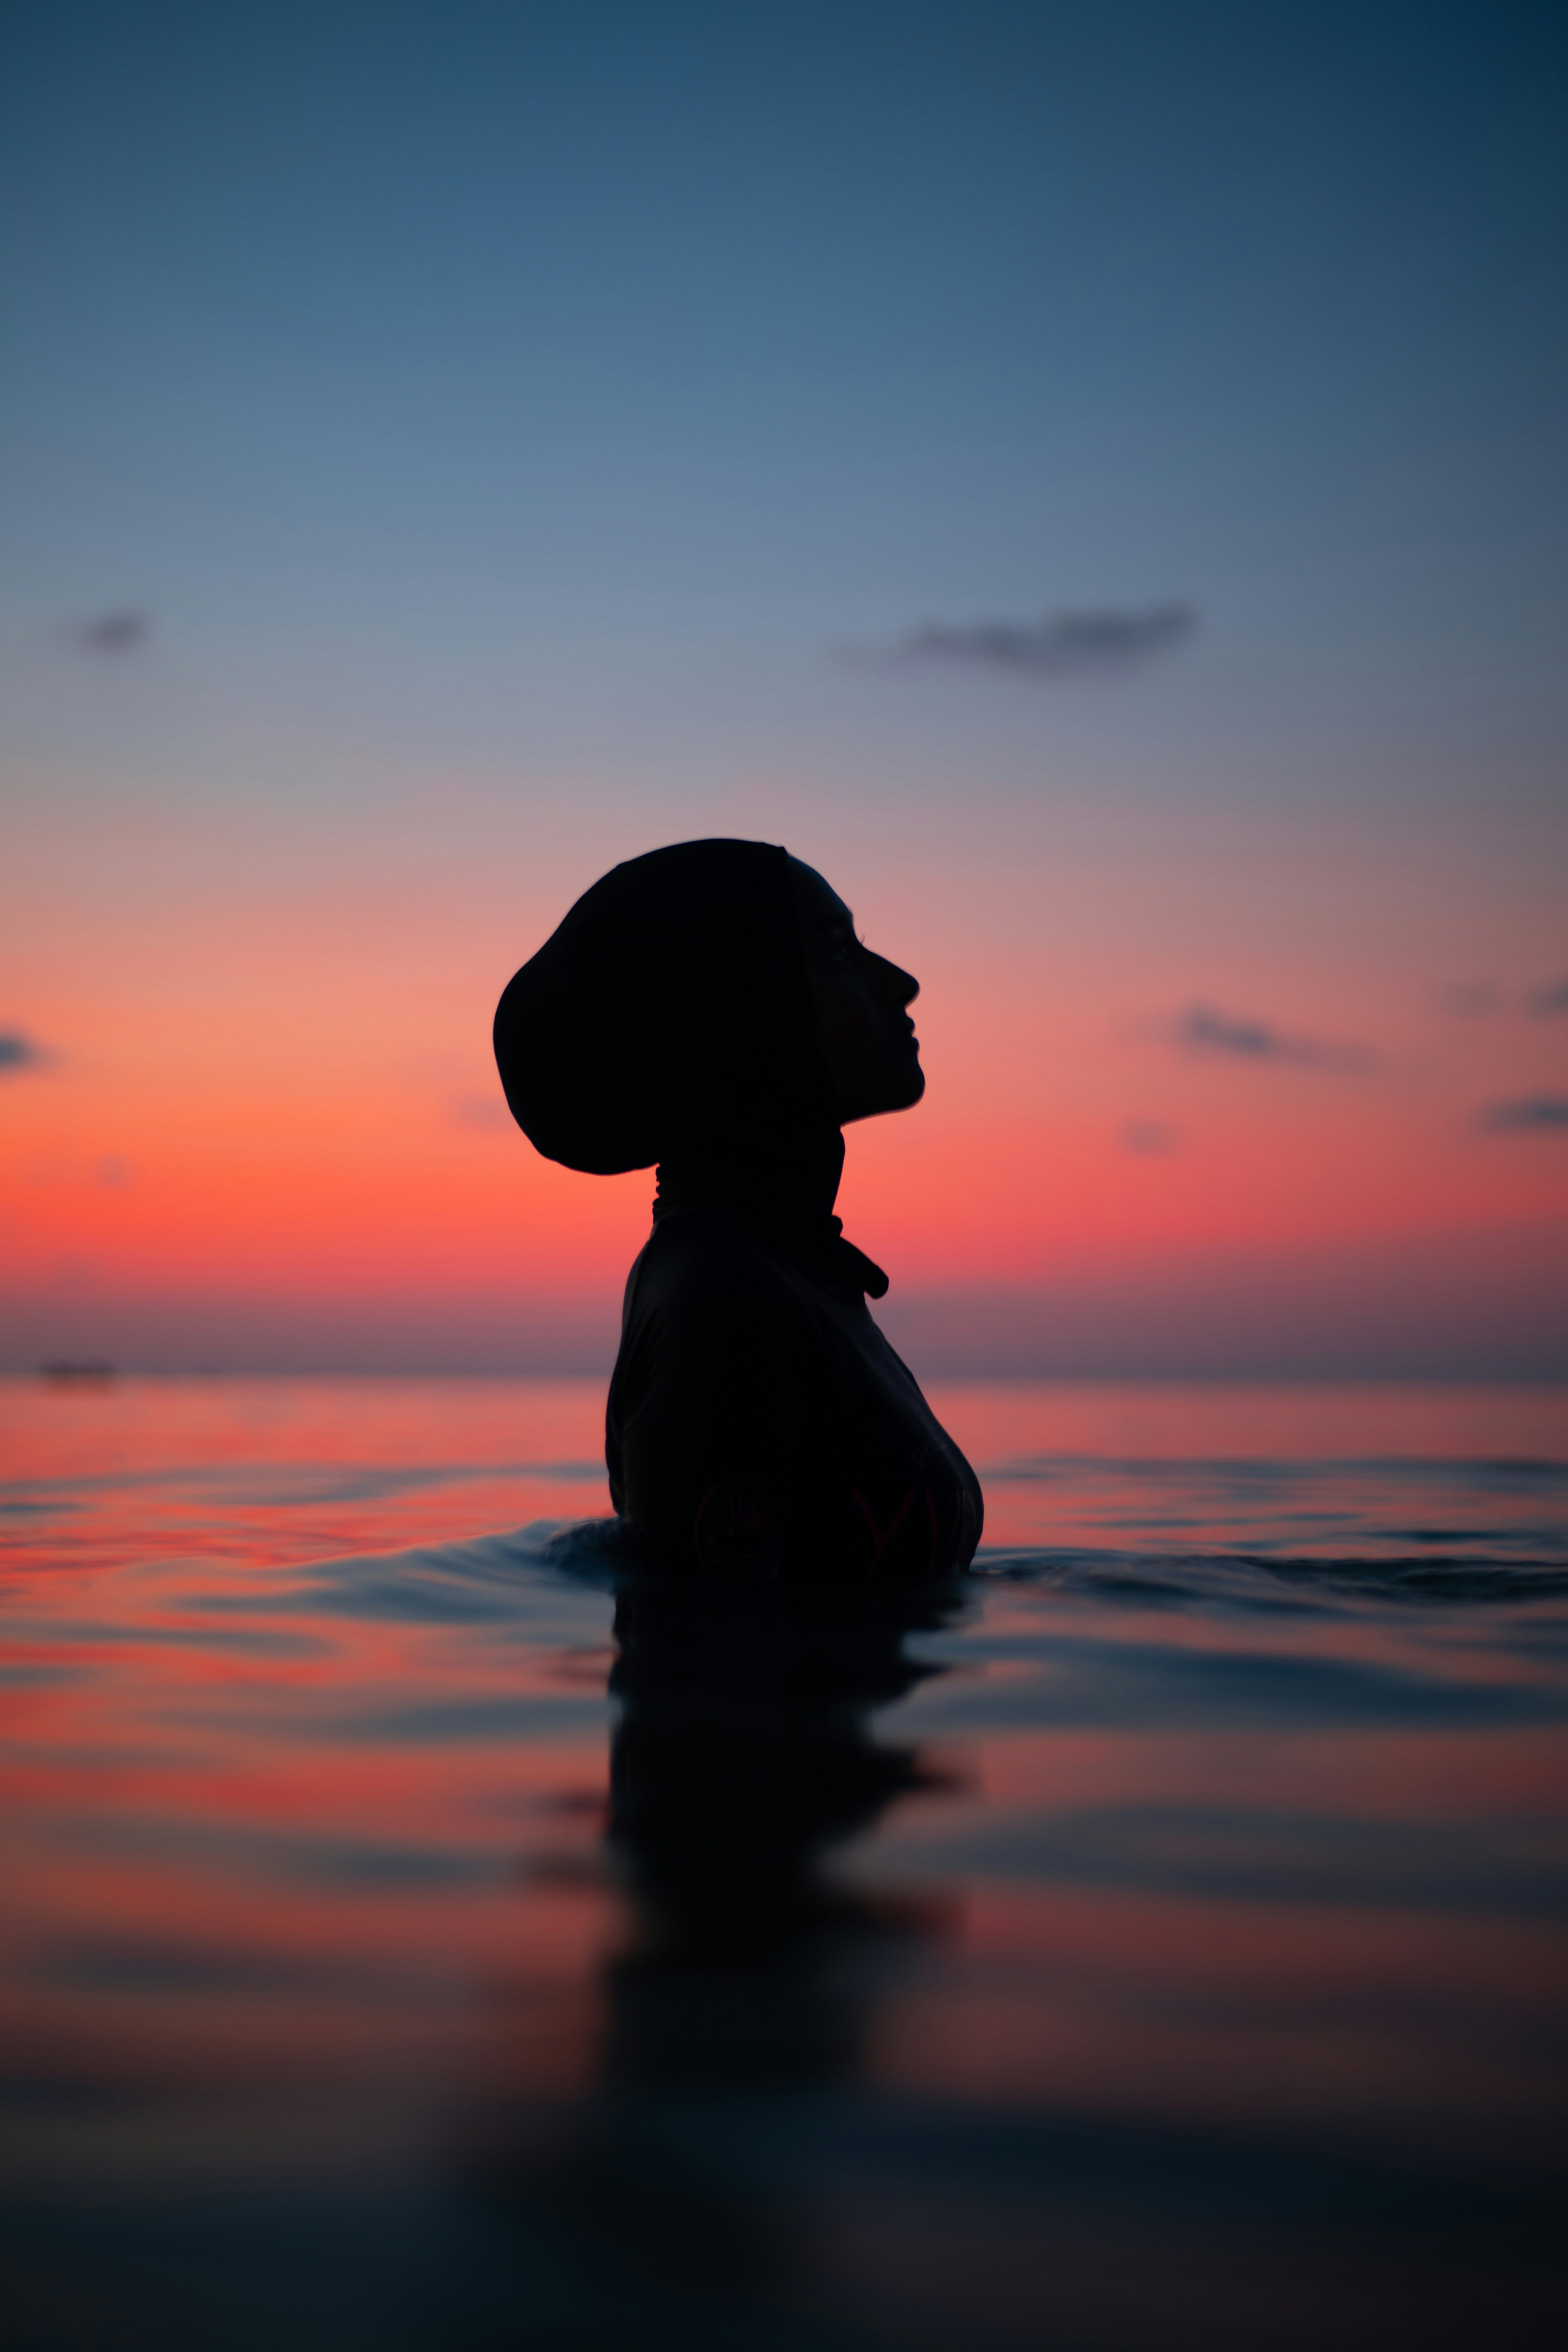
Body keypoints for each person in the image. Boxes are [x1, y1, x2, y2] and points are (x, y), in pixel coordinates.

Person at [493, 838, 982, 1582]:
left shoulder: (793, 1269)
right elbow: (706, 1664)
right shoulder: (722, 1293)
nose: (902, 982)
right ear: (749, 1002)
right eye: (836, 951)